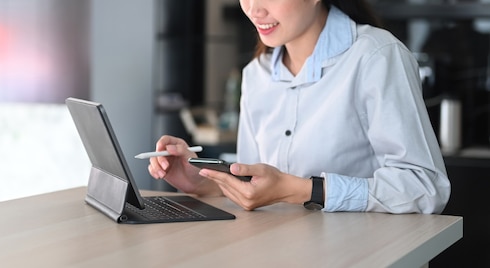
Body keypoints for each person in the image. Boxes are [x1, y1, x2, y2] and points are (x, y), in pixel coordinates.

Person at [147, 0, 450, 214]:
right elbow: (254, 188)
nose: (254, 9)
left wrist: (307, 190)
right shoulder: (256, 74)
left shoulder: (377, 57)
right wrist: (198, 182)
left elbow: (425, 189)